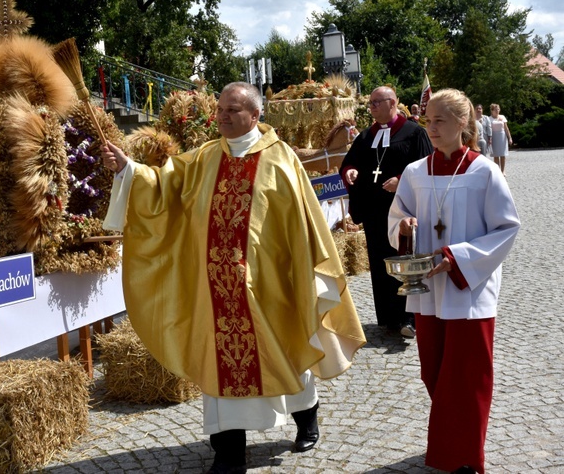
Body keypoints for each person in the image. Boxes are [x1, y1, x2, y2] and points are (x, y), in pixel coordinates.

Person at [100, 82, 366, 473]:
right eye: (220, 109)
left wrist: (301, 274)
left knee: (285, 354)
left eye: (233, 110)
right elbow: (164, 188)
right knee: (218, 366)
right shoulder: (206, 157)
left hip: (269, 285)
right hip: (214, 290)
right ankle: (227, 452)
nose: (222, 116)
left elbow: (303, 222)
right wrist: (128, 169)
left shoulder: (280, 159)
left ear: (255, 115)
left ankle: (306, 416)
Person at [387, 88, 520, 474]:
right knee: (434, 370)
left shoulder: (484, 172)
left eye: (439, 120)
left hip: (468, 290)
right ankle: (454, 440)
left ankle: (462, 457)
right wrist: (404, 227)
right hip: (427, 291)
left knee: (465, 375)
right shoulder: (415, 172)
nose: (430, 127)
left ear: (462, 123)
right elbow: (397, 219)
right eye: (427, 120)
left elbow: (506, 228)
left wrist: (454, 258)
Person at [340, 86, 433, 338]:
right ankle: (388, 318)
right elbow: (350, 160)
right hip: (374, 211)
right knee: (380, 263)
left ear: (392, 103)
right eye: (370, 103)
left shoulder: (414, 133)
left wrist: (401, 180)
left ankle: (409, 318)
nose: (371, 107)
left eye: (375, 103)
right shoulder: (366, 136)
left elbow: (426, 165)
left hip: (403, 211)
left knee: (404, 260)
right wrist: (350, 170)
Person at [489, 103, 513, 175]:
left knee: (503, 155)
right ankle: (498, 171)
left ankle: (503, 170)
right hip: (494, 137)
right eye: (495, 110)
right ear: (492, 110)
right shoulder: (489, 118)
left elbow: (506, 128)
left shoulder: (502, 117)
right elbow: (488, 130)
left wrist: (510, 138)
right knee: (496, 156)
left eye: (498, 109)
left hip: (502, 136)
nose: (497, 111)